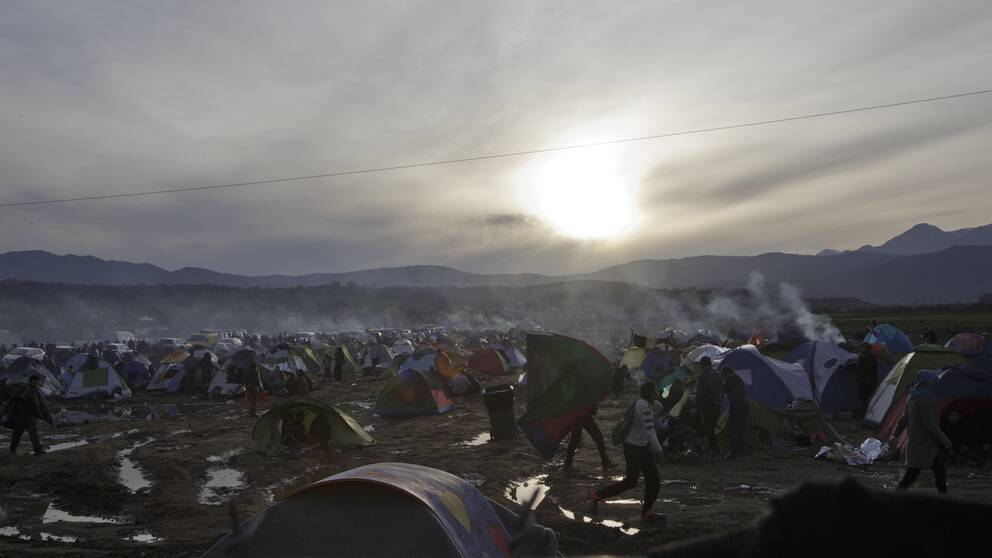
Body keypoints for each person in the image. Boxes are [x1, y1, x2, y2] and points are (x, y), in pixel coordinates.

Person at [591, 382, 664, 523]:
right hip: (634, 448)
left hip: (638, 447)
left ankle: (646, 512)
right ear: (650, 394)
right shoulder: (644, 407)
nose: (657, 394)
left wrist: (656, 401)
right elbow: (650, 431)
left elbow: (659, 407)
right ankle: (597, 495)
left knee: (650, 479)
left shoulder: (644, 404)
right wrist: (660, 452)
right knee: (635, 481)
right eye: (655, 392)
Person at [895, 371, 952, 494]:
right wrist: (945, 441)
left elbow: (903, 419)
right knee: (912, 474)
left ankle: (943, 496)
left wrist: (894, 435)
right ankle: (895, 496)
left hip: (916, 442)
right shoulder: (926, 399)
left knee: (938, 470)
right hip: (924, 443)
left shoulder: (912, 396)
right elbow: (929, 424)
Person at [4, 375, 54, 456]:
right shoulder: (22, 388)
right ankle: (12, 450)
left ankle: (37, 450)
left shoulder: (36, 390)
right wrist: (5, 412)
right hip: (20, 415)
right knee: (17, 433)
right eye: (35, 381)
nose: (37, 383)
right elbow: (12, 399)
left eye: (37, 382)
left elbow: (40, 404)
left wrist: (46, 415)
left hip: (31, 415)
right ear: (31, 381)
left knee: (33, 434)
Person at [563, 406, 615, 472]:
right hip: (581, 416)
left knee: (576, 440)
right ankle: (605, 461)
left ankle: (568, 464)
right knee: (597, 437)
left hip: (579, 416)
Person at [696, 357, 723, 458]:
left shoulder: (702, 376)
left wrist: (697, 407)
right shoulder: (718, 374)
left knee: (708, 429)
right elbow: (722, 390)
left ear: (702, 365)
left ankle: (715, 452)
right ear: (710, 364)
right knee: (713, 427)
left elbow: (699, 393)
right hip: (717, 405)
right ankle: (716, 451)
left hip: (706, 405)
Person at [723, 367, 750, 458]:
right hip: (745, 405)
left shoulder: (728, 378)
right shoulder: (738, 378)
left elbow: (724, 390)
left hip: (737, 406)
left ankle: (735, 450)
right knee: (741, 427)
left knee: (734, 428)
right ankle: (741, 449)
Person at [856, 346, 878, 413]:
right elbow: (859, 368)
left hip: (870, 381)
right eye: (863, 348)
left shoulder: (872, 357)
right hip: (862, 380)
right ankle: (863, 411)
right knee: (863, 396)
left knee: (869, 396)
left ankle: (868, 411)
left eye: (865, 348)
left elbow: (873, 370)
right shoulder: (861, 357)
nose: (863, 349)